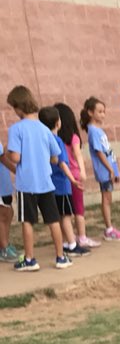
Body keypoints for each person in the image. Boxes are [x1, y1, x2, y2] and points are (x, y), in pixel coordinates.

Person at [5, 84, 71, 271]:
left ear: (19, 106)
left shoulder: (16, 129)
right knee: (53, 220)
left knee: (27, 221)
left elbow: (15, 157)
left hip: (27, 184)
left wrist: (9, 152)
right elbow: (55, 157)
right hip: (46, 182)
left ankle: (30, 260)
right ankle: (61, 257)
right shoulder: (44, 129)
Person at [37, 106, 90, 259]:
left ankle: (65, 242)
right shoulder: (58, 141)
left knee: (58, 216)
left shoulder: (42, 140)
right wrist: (73, 179)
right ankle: (72, 244)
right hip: (62, 184)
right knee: (66, 215)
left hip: (50, 184)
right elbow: (62, 163)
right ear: (58, 123)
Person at [80, 97, 120, 242]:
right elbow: (99, 152)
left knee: (108, 198)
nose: (103, 115)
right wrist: (110, 170)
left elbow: (107, 152)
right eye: (99, 112)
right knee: (106, 199)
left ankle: (109, 227)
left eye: (104, 112)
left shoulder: (98, 131)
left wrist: (114, 170)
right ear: (90, 112)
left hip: (108, 170)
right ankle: (109, 229)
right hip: (104, 171)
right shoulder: (93, 131)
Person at [54, 101, 100, 248]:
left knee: (64, 212)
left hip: (62, 177)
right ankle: (82, 237)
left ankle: (67, 238)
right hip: (74, 175)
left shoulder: (56, 139)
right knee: (78, 209)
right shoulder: (73, 137)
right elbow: (78, 155)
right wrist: (82, 171)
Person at [0, 138, 17, 262]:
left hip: (4, 183)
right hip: (1, 185)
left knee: (9, 212)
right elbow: (3, 159)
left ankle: (5, 243)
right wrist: (18, 171)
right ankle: (4, 248)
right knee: (3, 215)